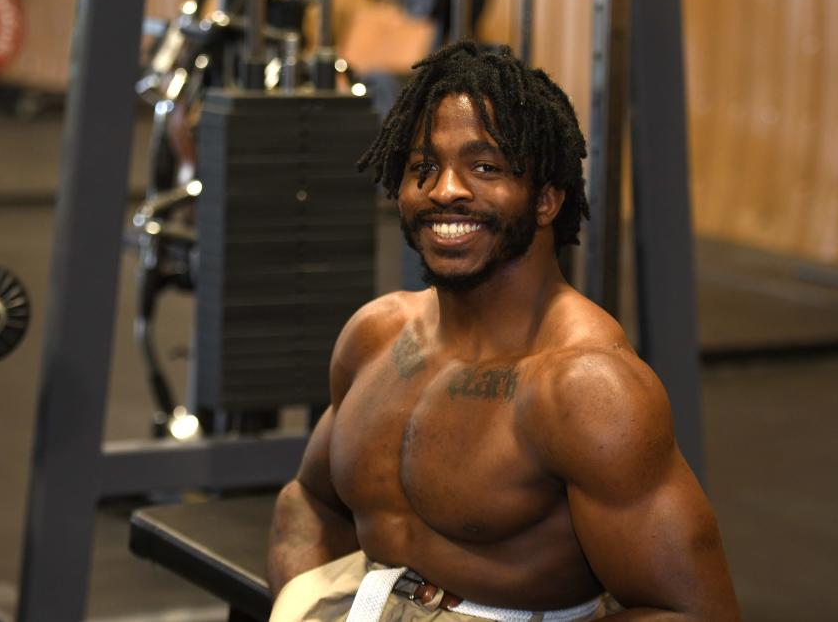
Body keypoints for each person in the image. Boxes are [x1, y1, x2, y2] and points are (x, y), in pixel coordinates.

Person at [267, 42, 740, 621]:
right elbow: (311, 502)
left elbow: (695, 614)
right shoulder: (377, 335)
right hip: (366, 597)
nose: (445, 190)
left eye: (484, 168)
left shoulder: (586, 388)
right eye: (424, 168)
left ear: (545, 200)